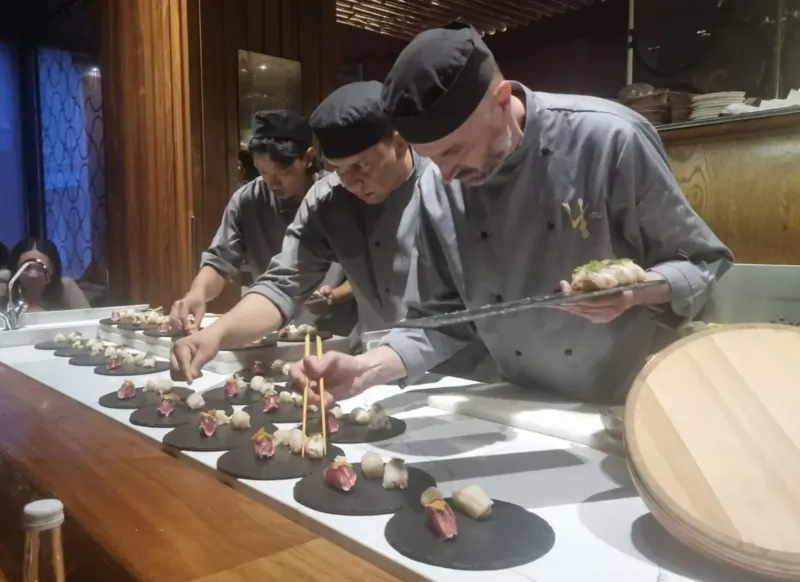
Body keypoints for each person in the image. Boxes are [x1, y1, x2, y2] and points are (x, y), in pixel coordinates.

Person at [289, 23, 734, 405]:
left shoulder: (609, 139)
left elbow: (701, 262)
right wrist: (364, 370)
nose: (445, 177)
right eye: (432, 158)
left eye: (455, 151)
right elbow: (436, 318)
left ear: (501, 101)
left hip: (630, 401)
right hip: (518, 401)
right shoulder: (434, 184)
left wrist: (636, 293)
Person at [171, 81, 494, 383]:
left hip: (465, 378)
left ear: (398, 142)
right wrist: (216, 334)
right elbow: (283, 285)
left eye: (361, 167)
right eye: (338, 170)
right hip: (375, 374)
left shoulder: (450, 184)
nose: (351, 183)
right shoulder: (327, 200)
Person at [169, 110, 354, 336]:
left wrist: (336, 295)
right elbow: (220, 261)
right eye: (264, 172)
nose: (273, 183)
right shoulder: (248, 200)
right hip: (273, 330)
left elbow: (373, 268)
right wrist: (197, 293)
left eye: (284, 172)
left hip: (338, 333)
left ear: (307, 158)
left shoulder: (340, 193)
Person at [4, 237, 90, 311]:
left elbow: (88, 319)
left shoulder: (66, 287)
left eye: (41, 268)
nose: (33, 274)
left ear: (53, 269)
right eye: (26, 268)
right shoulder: (6, 290)